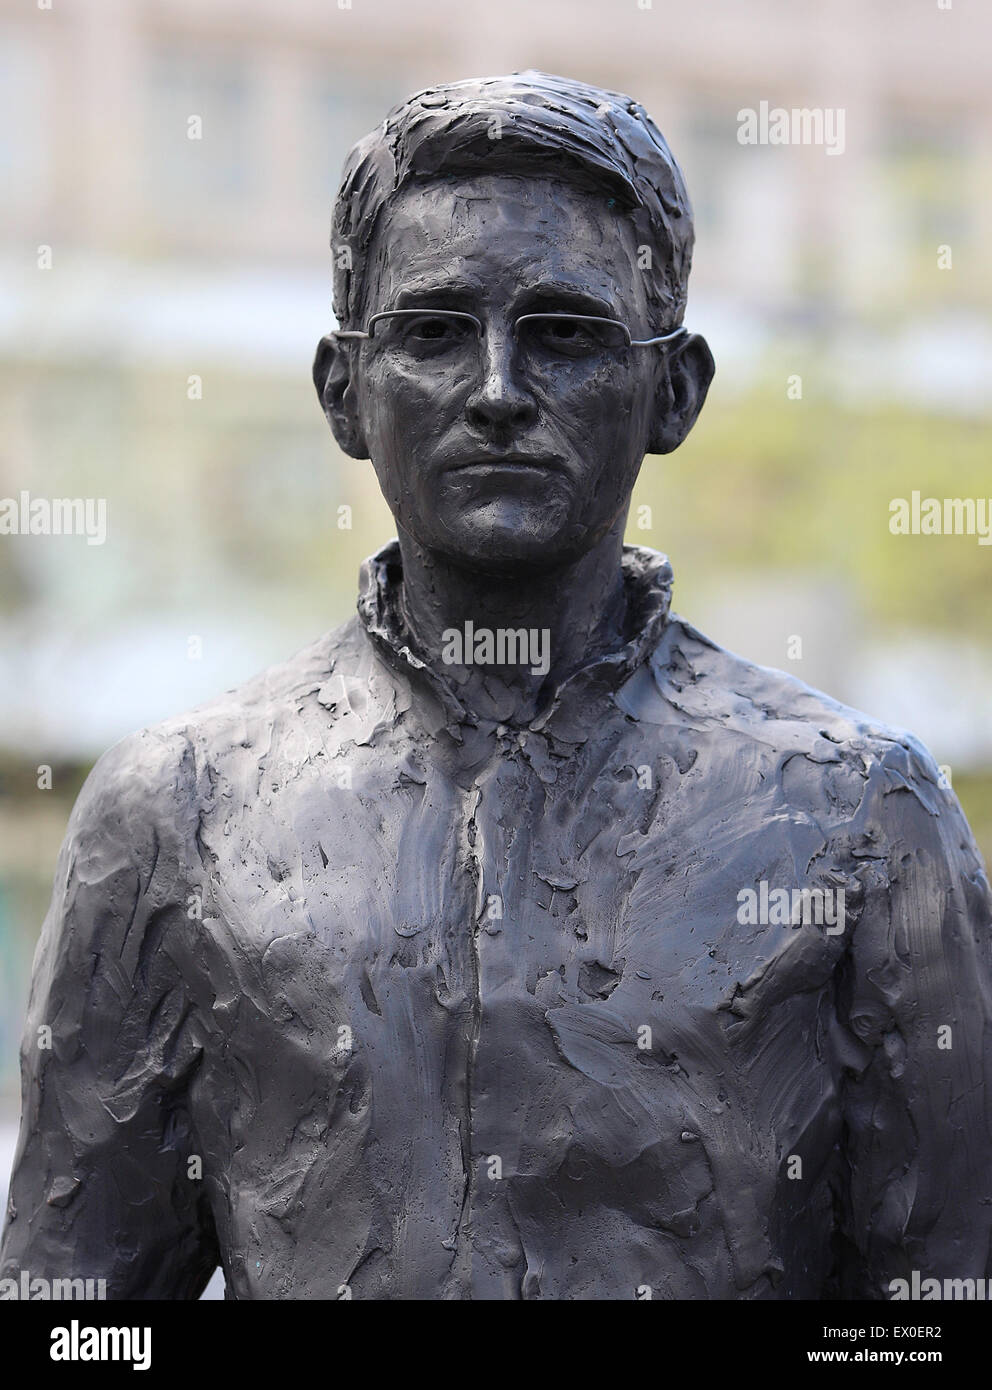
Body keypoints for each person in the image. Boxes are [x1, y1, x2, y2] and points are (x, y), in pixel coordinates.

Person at [2, 71, 990, 1300]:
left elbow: (940, 1308)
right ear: (340, 394)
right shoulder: (173, 814)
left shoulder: (862, 819)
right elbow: (72, 1313)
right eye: (430, 332)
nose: (495, 392)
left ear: (673, 391)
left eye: (564, 334)